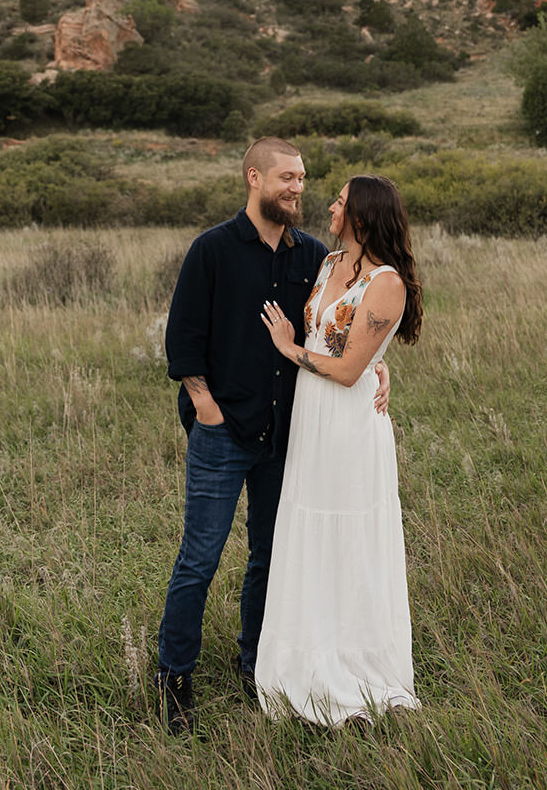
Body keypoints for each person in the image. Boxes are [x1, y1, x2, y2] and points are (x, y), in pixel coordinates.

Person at [156, 138, 389, 734]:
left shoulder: (312, 255)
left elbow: (337, 327)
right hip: (221, 433)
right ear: (255, 178)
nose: (297, 188)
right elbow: (182, 342)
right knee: (200, 558)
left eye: (304, 179)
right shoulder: (211, 249)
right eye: (287, 177)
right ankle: (173, 678)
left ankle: (254, 661)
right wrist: (205, 407)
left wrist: (379, 365)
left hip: (287, 437)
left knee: (269, 557)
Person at [256, 173, 423, 726]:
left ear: (364, 216)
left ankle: (353, 661)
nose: (330, 206)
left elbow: (350, 370)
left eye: (341, 202)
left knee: (347, 533)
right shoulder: (329, 265)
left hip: (349, 425)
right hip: (311, 420)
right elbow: (340, 342)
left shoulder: (386, 282)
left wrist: (288, 348)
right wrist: (374, 361)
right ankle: (306, 656)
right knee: (307, 527)